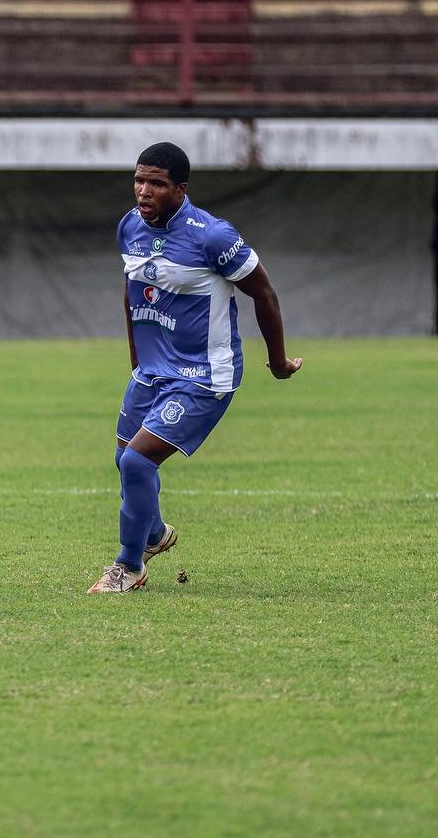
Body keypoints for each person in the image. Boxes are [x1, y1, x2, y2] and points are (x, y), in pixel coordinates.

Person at [90, 142, 301, 594]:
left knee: (136, 460)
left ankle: (129, 568)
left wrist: (278, 360)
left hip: (204, 376)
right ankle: (154, 534)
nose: (144, 191)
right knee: (123, 459)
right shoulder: (130, 227)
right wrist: (136, 357)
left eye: (157, 184)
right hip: (153, 370)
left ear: (181, 189)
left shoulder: (212, 237)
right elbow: (132, 292)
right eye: (139, 180)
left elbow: (263, 293)